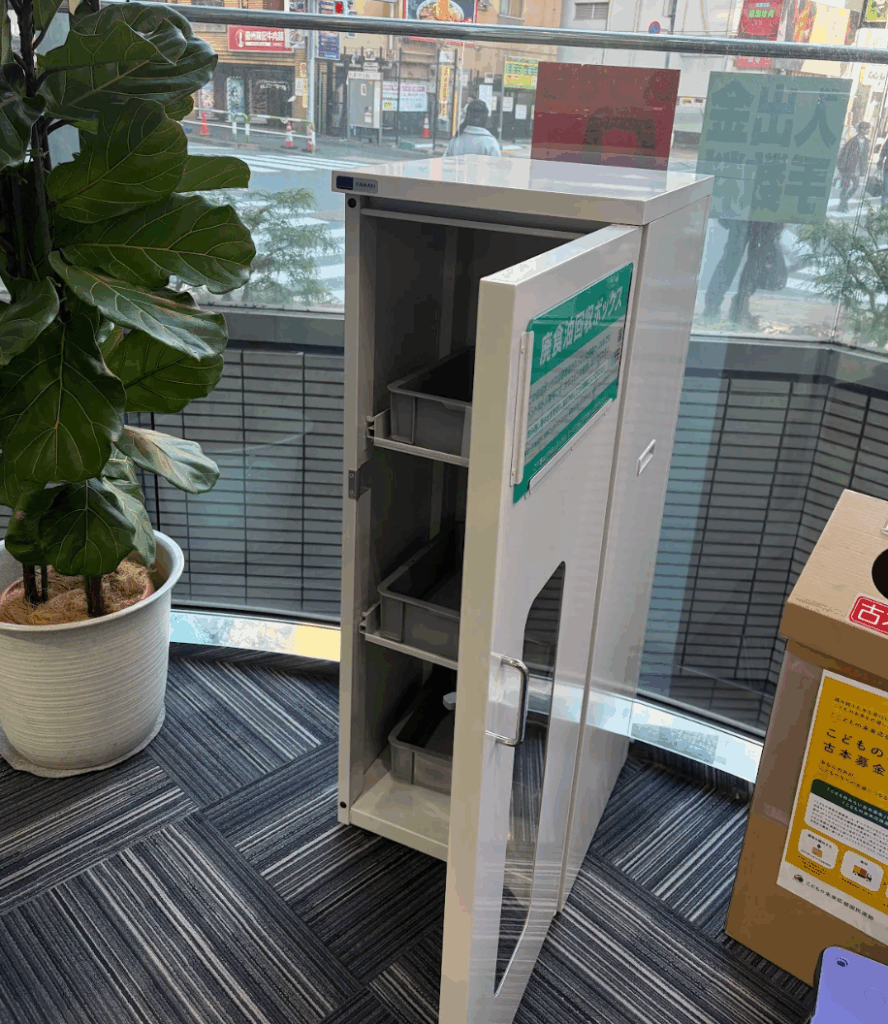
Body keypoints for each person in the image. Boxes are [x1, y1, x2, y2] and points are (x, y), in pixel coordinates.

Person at [836, 122, 871, 212]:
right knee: (845, 187)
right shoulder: (852, 141)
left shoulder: (867, 142)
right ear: (859, 129)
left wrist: (864, 168)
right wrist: (841, 168)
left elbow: (865, 157)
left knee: (856, 186)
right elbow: (844, 153)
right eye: (863, 128)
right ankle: (842, 205)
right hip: (849, 167)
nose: (865, 130)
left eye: (866, 128)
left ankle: (844, 202)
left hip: (858, 168)